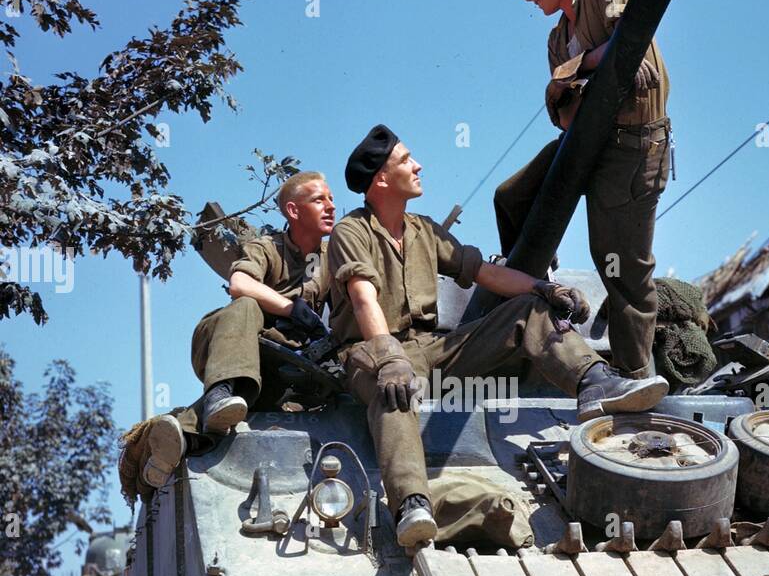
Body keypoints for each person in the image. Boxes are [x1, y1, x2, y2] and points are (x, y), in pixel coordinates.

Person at [327, 125, 669, 547]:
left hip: (432, 350)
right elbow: (363, 298)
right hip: (371, 351)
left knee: (526, 310)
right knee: (393, 390)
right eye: (405, 160)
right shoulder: (351, 232)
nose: (417, 166)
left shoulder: (424, 231)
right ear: (381, 178)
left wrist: (540, 289)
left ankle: (593, 383)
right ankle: (412, 503)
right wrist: (388, 356)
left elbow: (484, 272)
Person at [495, 0, 672, 379]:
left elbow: (629, 53)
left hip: (633, 146)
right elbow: (563, 111)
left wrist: (575, 73)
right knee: (510, 196)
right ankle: (536, 289)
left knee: (622, 267)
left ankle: (634, 377)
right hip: (586, 144)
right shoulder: (558, 40)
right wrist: (580, 74)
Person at [119, 170, 334, 496]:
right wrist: (293, 310)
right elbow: (240, 284)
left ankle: (178, 440)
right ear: (293, 211)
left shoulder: (334, 256)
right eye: (320, 199)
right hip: (228, 341)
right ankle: (219, 394)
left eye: (331, 199)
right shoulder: (268, 248)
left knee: (244, 416)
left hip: (280, 368)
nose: (331, 206)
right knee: (247, 305)